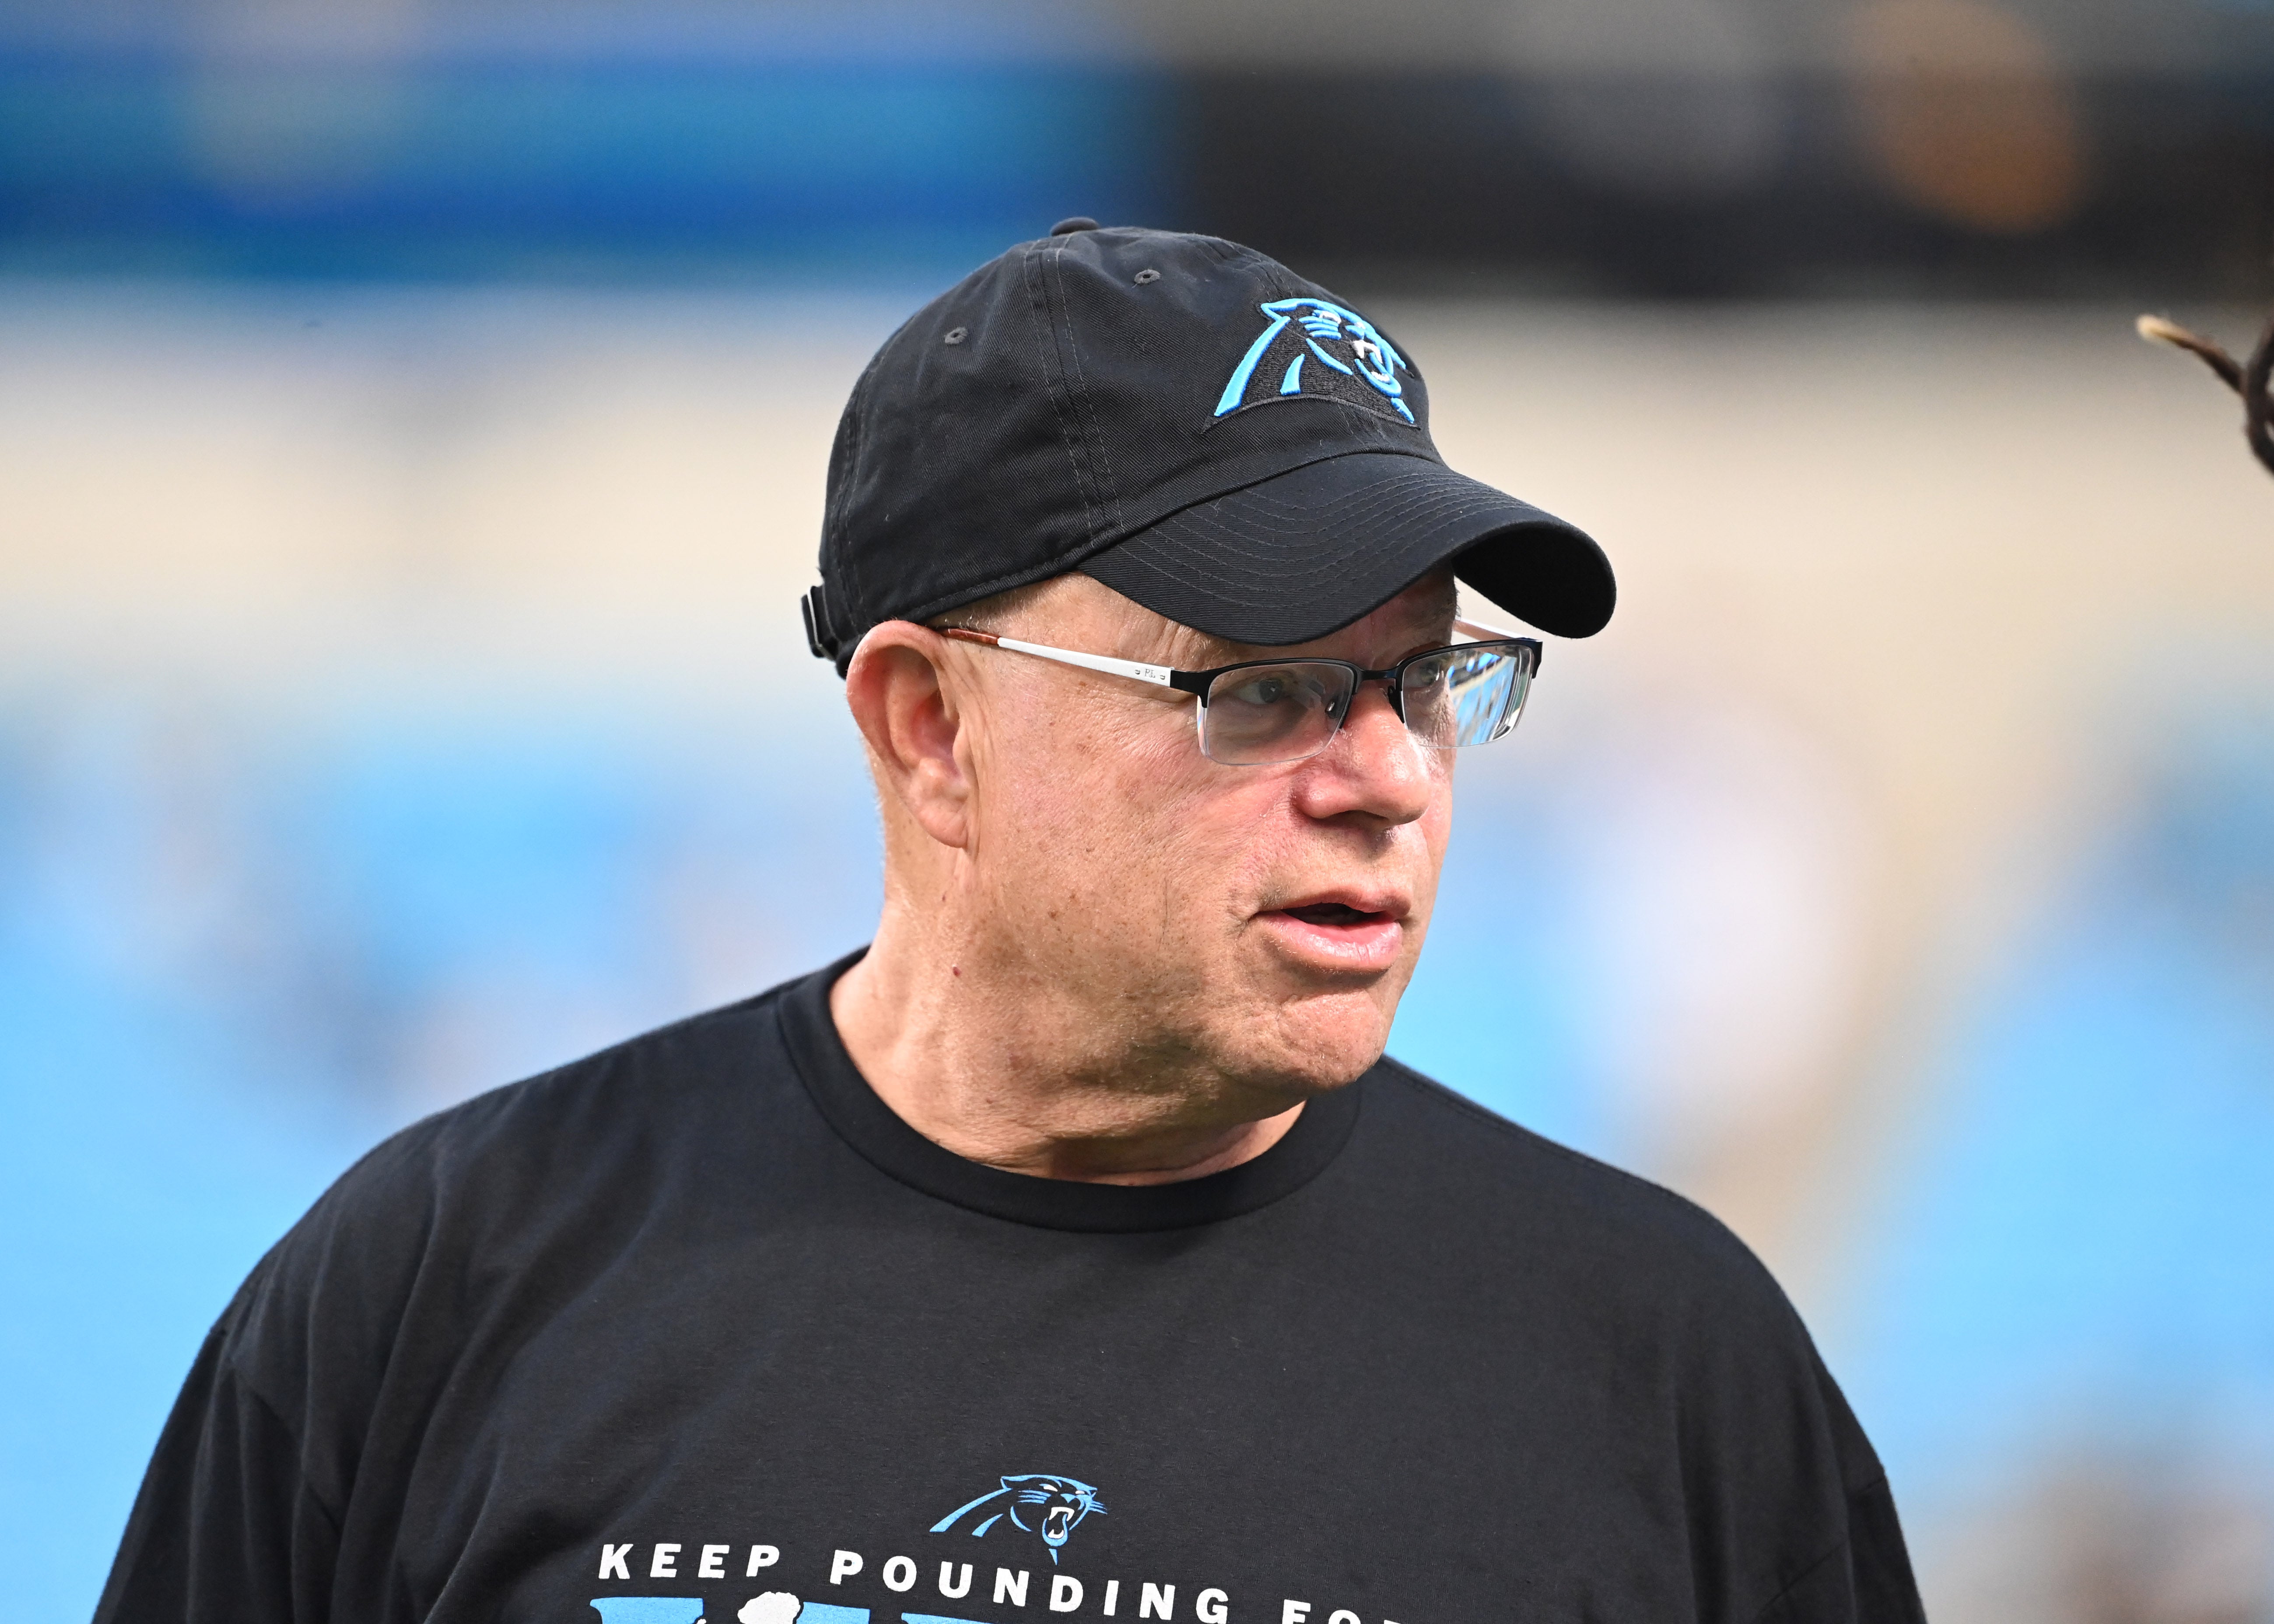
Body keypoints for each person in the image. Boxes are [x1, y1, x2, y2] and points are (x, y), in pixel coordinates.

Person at [98, 220, 1925, 1624]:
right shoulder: (446, 1281)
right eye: (1267, 686)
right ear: (928, 725)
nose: (1392, 776)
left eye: (1431, 677)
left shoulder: (1661, 1366)